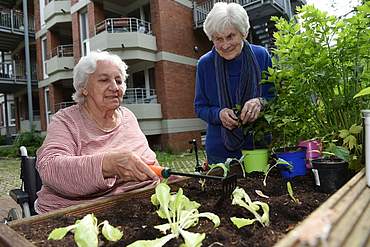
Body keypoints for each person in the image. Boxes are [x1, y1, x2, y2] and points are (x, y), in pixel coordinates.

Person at [35, 51, 160, 213]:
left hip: (130, 205)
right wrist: (108, 164)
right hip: (74, 212)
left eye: (119, 80)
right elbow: (50, 169)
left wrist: (170, 179)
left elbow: (150, 164)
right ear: (83, 88)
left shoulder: (128, 116)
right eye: (104, 80)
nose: (115, 87)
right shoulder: (66, 121)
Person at [194, 2, 274, 165]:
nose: (225, 45)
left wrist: (260, 102)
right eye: (218, 39)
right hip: (219, 151)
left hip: (257, 147)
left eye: (230, 36)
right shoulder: (204, 64)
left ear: (243, 32)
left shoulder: (261, 56)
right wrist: (219, 114)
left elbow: (272, 97)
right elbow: (200, 107)